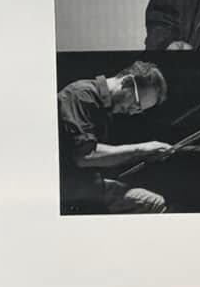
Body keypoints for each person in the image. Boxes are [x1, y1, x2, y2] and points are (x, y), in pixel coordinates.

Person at [56, 60, 172, 212]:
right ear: (126, 81)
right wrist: (142, 149)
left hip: (84, 182)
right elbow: (85, 156)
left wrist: (143, 155)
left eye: (138, 110)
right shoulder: (82, 95)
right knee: (153, 203)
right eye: (135, 103)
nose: (132, 111)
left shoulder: (102, 107)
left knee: (153, 200)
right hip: (68, 186)